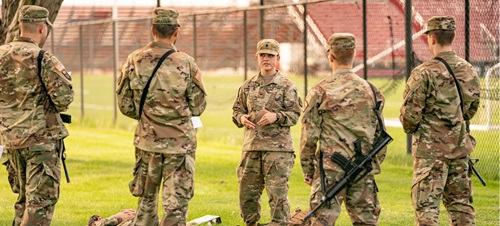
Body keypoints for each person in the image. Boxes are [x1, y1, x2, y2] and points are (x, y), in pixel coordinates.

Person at [116, 7, 207, 226]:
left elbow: (125, 104)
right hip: (180, 145)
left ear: (152, 30)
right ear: (176, 32)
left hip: (147, 143)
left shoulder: (135, 59)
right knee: (175, 204)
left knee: (146, 202)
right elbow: (198, 105)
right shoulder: (186, 62)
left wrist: (148, 115)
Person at [400, 16, 480, 225]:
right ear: (451, 37)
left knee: (427, 208)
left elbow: (409, 118)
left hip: (430, 153)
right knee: (461, 205)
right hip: (460, 148)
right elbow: (470, 110)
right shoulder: (469, 70)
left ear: (432, 38)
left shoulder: (423, 73)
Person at [300, 33, 387, 225]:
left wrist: (308, 169)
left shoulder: (319, 91)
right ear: (354, 54)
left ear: (330, 56)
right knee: (367, 221)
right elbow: (380, 134)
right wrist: (374, 162)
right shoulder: (372, 91)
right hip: (363, 165)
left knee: (321, 221)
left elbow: (309, 136)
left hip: (331, 169)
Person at [0, 5, 74, 226]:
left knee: (23, 202)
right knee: (39, 205)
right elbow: (64, 98)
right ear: (42, 28)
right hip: (40, 142)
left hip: (11, 141)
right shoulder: (43, 58)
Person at [232, 39, 302, 226]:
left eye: (270, 55)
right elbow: (237, 110)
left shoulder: (287, 86)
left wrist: (276, 117)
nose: (266, 59)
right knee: (247, 193)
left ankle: (280, 224)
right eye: (262, 55)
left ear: (277, 58)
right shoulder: (248, 86)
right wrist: (241, 118)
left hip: (278, 150)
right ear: (257, 57)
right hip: (252, 147)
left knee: (277, 194)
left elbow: (295, 114)